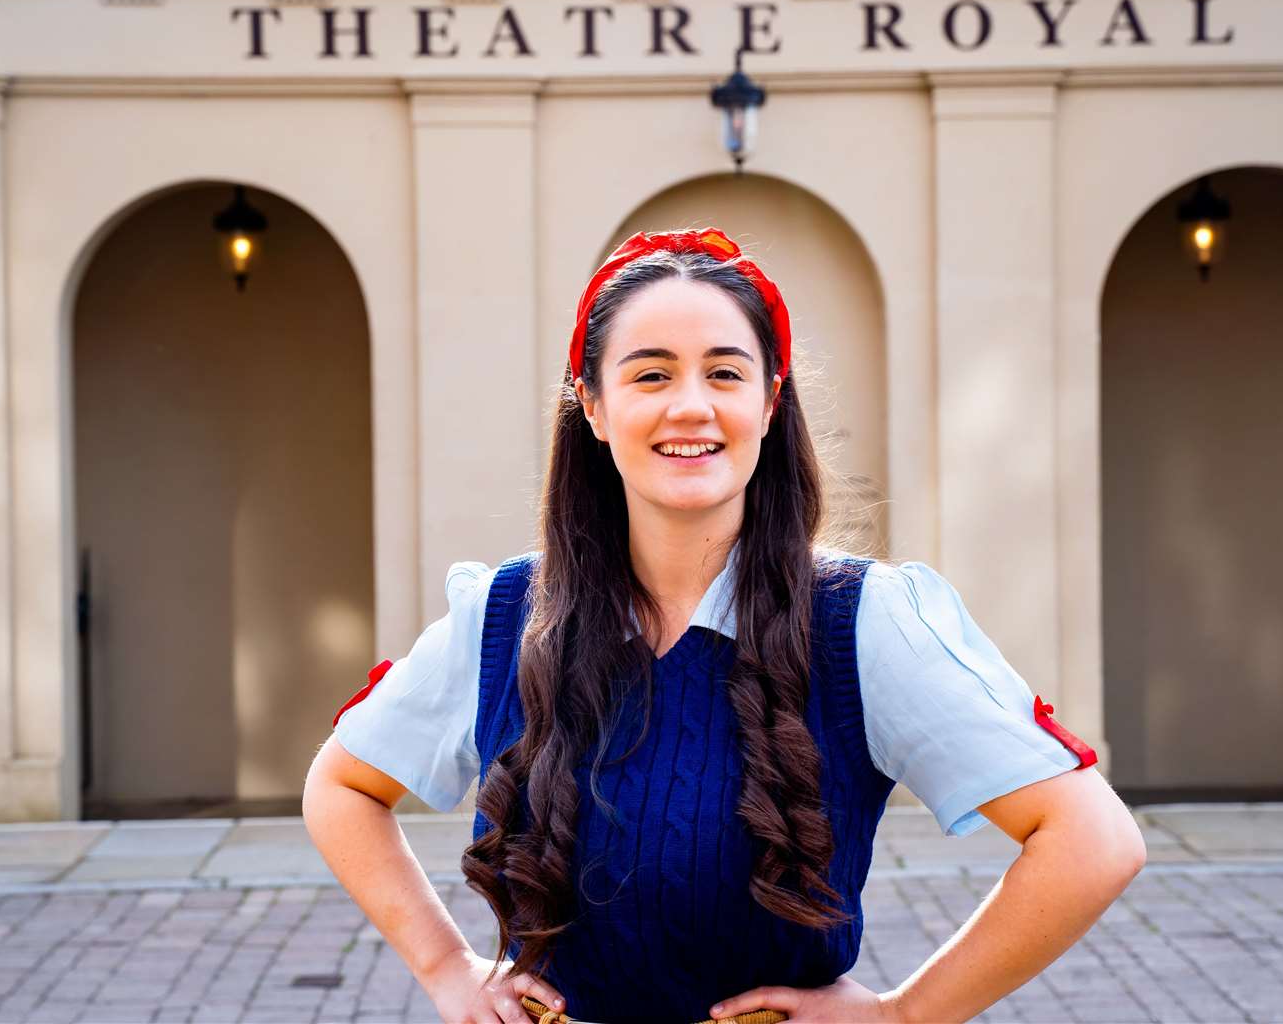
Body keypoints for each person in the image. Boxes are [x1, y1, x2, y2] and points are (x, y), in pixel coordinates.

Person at [303, 227, 1146, 1024]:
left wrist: (908, 1013)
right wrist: (445, 967)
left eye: (726, 372)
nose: (691, 406)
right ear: (591, 406)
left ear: (772, 402)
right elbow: (341, 787)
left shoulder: (863, 621)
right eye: (651, 374)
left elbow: (1092, 840)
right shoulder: (505, 617)